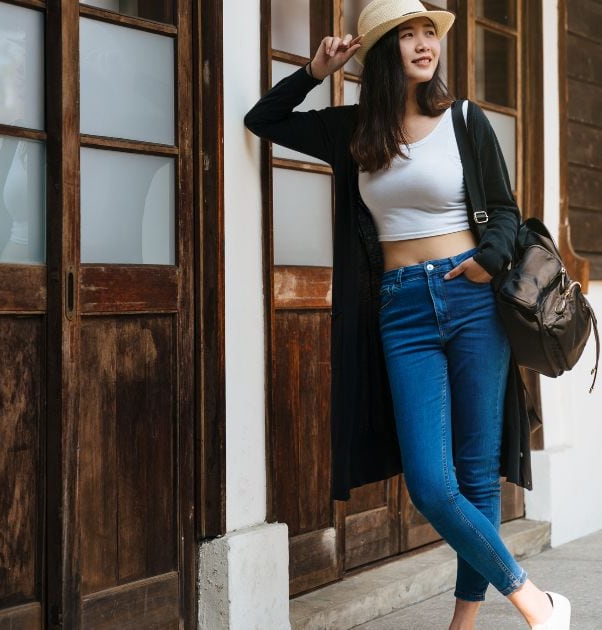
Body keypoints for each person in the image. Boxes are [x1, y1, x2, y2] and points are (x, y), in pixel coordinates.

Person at [244, 1, 570, 629]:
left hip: (474, 302)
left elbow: (503, 211)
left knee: (476, 475)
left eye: (430, 33)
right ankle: (537, 601)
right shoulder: (355, 130)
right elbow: (265, 119)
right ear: (380, 52)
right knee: (429, 481)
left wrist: (488, 260)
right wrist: (314, 70)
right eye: (408, 35)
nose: (426, 44)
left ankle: (464, 623)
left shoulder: (465, 121)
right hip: (402, 308)